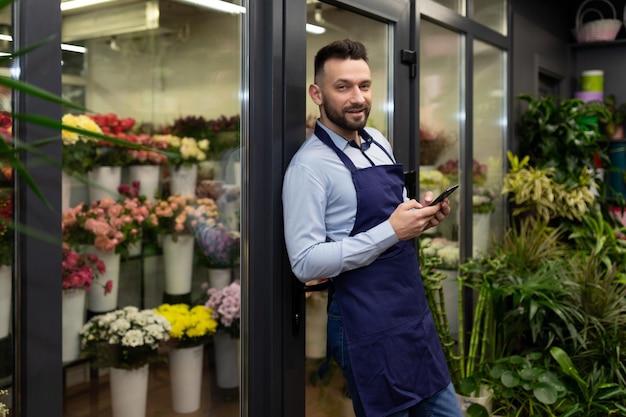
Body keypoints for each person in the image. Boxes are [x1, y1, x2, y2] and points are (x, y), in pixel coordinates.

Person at [282, 39, 463, 417]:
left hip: (411, 314)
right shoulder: (308, 168)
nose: (357, 98)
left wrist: (421, 217)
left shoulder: (379, 142)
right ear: (317, 93)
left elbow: (392, 219)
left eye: (364, 86)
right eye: (342, 86)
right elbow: (304, 262)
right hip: (363, 324)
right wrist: (392, 231)